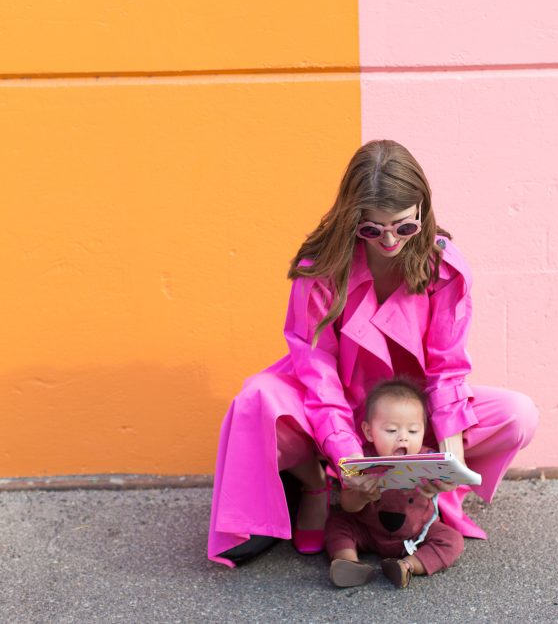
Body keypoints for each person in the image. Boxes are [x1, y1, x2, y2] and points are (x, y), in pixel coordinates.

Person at [208, 140, 538, 567]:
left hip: (408, 417)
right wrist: (349, 459)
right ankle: (316, 484)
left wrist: (449, 455)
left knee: (518, 413)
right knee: (255, 402)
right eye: (372, 229)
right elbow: (318, 373)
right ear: (352, 219)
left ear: (421, 211)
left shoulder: (445, 268)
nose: (389, 240)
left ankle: (426, 493)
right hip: (331, 407)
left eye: (403, 227)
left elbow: (446, 370)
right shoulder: (321, 270)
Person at [326, 377, 464, 589]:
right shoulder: (363, 461)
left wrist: (445, 479)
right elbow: (347, 504)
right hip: (367, 530)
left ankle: (407, 566)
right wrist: (361, 495)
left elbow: (450, 479)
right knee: (338, 523)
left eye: (413, 431)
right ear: (369, 432)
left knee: (452, 540)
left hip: (417, 533)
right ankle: (348, 562)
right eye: (391, 431)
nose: (403, 438)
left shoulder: (429, 460)